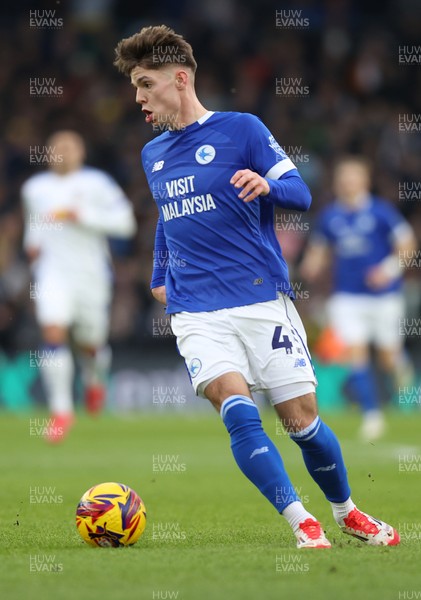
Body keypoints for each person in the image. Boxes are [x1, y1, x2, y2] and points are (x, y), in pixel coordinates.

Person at [114, 25, 400, 548]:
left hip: (260, 298)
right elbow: (168, 217)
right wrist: (159, 275)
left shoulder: (241, 129)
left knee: (300, 420)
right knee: (235, 406)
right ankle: (301, 522)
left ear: (179, 79)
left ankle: (345, 510)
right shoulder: (152, 155)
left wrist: (268, 183)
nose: (138, 98)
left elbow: (301, 193)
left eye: (145, 84)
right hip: (196, 310)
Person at [22, 131, 136, 442]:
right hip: (52, 274)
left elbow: (126, 223)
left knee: (91, 344)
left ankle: (94, 379)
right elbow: (34, 228)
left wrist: (81, 216)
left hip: (90, 275)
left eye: (69, 147)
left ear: (81, 152)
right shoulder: (34, 188)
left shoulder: (97, 183)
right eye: (56, 147)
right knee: (53, 331)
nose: (63, 152)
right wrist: (31, 246)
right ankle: (61, 411)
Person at [300, 157, 416, 441]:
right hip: (347, 298)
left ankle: (402, 371)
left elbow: (407, 244)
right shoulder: (330, 216)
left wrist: (388, 270)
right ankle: (372, 416)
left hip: (384, 297)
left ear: (365, 180)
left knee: (389, 357)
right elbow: (319, 249)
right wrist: (311, 265)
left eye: (354, 176)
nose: (348, 182)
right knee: (355, 353)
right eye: (343, 177)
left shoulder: (381, 212)